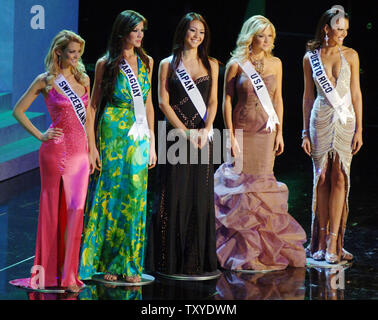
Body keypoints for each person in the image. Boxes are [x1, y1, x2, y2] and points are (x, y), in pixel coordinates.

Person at [214, 15, 306, 271]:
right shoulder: (236, 64)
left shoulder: (276, 63)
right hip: (243, 130)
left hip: (265, 133)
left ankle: (264, 251)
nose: (266, 41)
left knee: (262, 189)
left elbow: (278, 100)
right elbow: (227, 101)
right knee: (241, 189)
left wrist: (280, 132)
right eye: (261, 36)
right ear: (250, 37)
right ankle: (242, 250)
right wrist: (230, 135)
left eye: (269, 36)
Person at [78, 10, 156, 283]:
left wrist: (153, 143)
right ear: (123, 31)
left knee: (135, 195)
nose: (140, 35)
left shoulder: (147, 61)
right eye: (136, 30)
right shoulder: (105, 63)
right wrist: (92, 146)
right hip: (112, 129)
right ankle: (107, 263)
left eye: (142, 31)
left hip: (138, 132)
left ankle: (130, 264)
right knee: (111, 193)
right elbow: (93, 106)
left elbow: (148, 104)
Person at [11, 30, 91, 292]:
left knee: (76, 211)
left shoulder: (84, 78)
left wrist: (94, 150)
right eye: (71, 52)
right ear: (59, 52)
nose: (76, 57)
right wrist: (41, 135)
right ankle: (49, 275)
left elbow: (88, 117)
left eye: (79, 52)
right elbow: (18, 110)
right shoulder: (45, 80)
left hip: (80, 154)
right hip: (55, 151)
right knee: (50, 213)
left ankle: (69, 276)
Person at [146, 12, 219, 276]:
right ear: (182, 32)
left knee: (199, 195)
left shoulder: (212, 64)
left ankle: (195, 261)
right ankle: (168, 260)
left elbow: (213, 102)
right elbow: (163, 103)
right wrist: (185, 132)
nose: (197, 36)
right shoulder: (168, 63)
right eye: (192, 31)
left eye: (201, 32)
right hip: (175, 136)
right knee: (173, 194)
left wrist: (207, 128)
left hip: (203, 137)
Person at [302, 7, 363, 264]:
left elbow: (356, 93)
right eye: (339, 29)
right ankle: (320, 237)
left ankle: (334, 241)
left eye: (346, 30)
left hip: (345, 121)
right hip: (320, 120)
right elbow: (307, 96)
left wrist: (360, 127)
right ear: (326, 27)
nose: (343, 34)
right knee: (322, 177)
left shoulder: (351, 55)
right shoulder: (310, 58)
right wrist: (304, 130)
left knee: (340, 177)